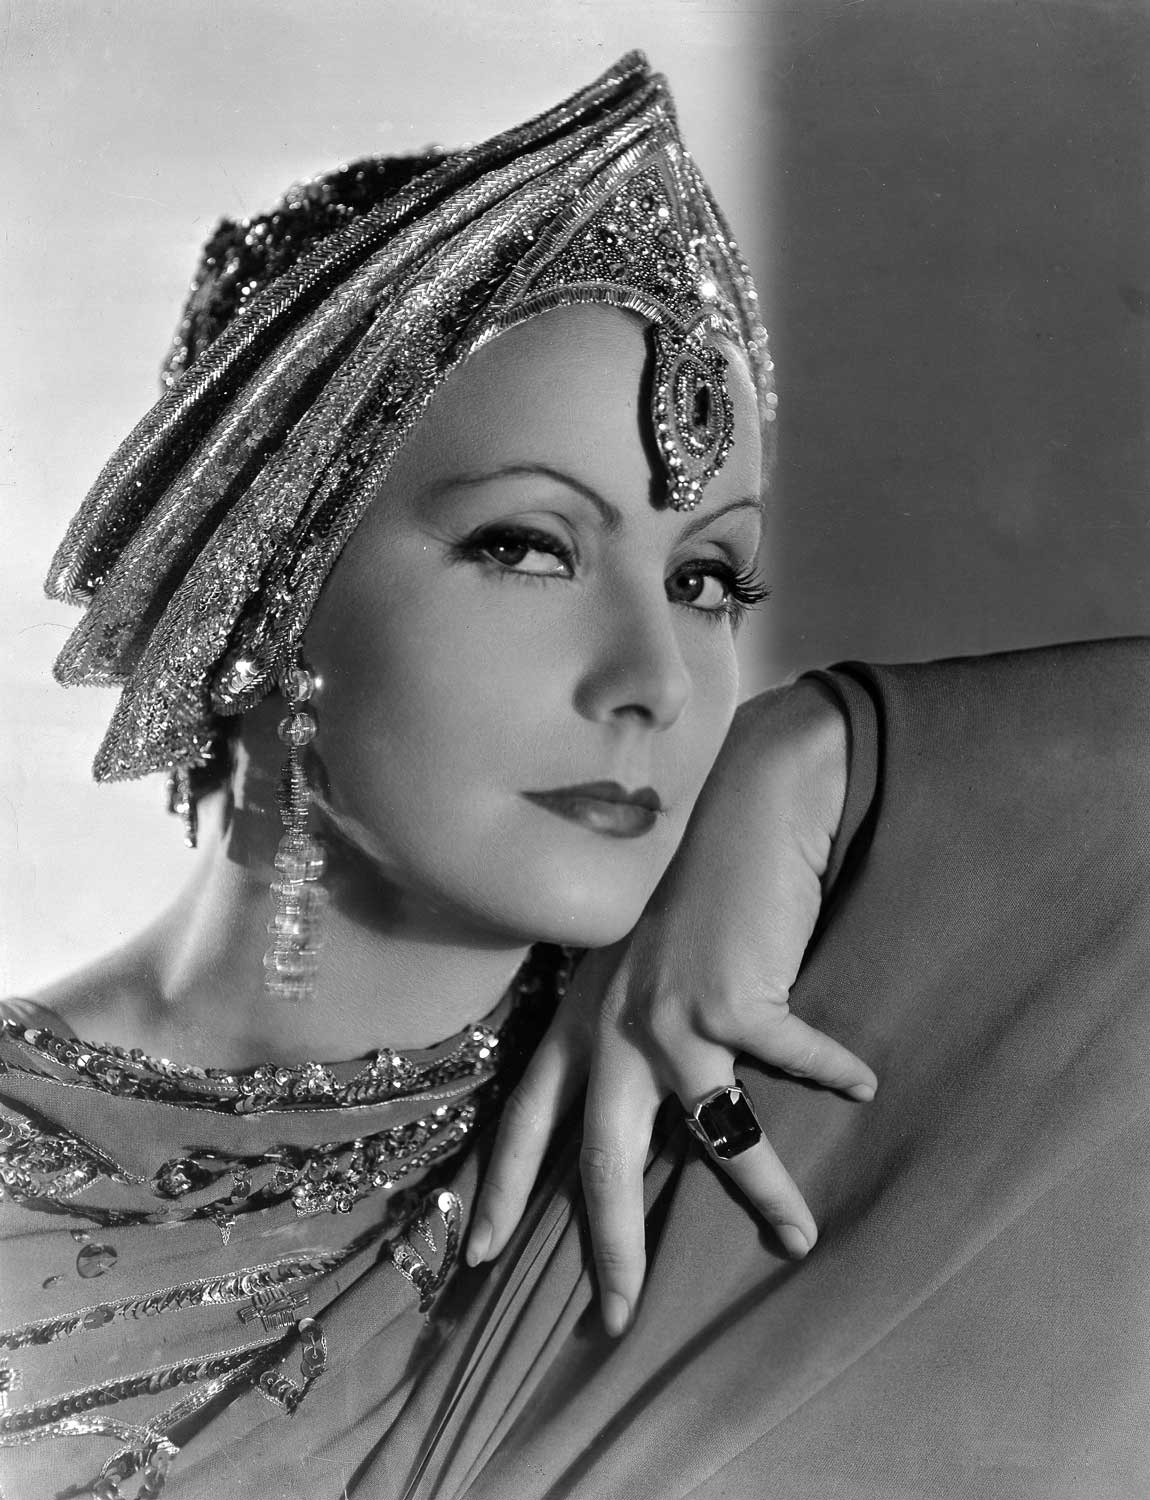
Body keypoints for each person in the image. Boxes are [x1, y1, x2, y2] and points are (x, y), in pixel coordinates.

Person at [2, 51, 1147, 1500]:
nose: (653, 679)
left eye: (708, 578)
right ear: (263, 583)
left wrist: (819, 746)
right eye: (527, 547)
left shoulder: (788, 1050)